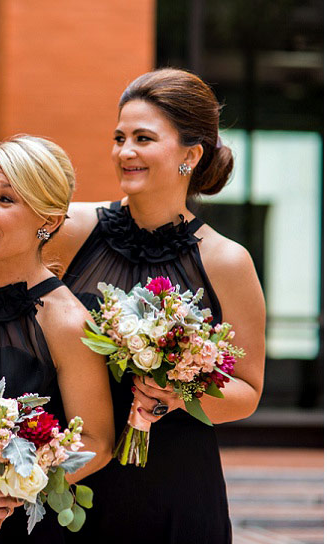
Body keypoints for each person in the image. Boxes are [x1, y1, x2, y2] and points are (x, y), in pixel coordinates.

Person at [44, 68, 266, 542]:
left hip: (176, 485)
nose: (125, 152)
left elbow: (247, 391)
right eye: (119, 137)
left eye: (143, 138)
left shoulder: (226, 261)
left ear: (190, 154)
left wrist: (177, 392)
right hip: (80, 478)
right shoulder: (73, 228)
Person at [0, 135, 114, 543]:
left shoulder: (66, 321)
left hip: (13, 525)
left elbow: (97, 442)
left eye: (5, 200)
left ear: (48, 221)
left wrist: (13, 487)